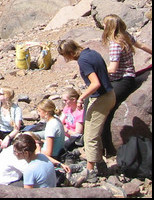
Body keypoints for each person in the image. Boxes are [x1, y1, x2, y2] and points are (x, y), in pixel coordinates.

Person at [57, 39, 116, 179]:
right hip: (108, 94)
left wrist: (81, 97)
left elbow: (95, 83)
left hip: (101, 98)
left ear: (70, 52)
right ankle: (100, 164)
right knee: (91, 131)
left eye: (66, 56)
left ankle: (90, 171)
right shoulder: (92, 53)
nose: (67, 59)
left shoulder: (83, 60)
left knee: (90, 135)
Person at [101, 14, 152, 156]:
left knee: (106, 109)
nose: (103, 26)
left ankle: (106, 147)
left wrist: (98, 70)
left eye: (105, 24)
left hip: (121, 80)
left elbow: (113, 68)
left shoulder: (115, 44)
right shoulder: (125, 36)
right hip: (129, 76)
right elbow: (141, 45)